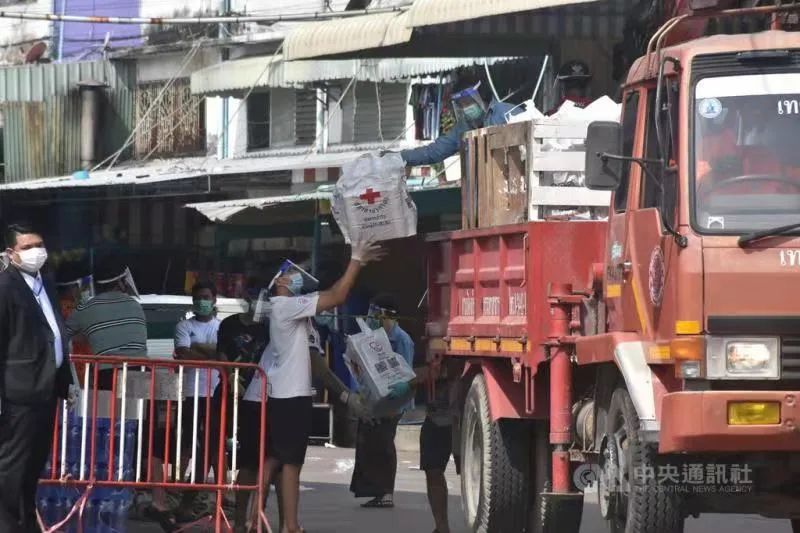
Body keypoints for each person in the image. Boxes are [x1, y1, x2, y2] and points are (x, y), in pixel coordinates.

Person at [261, 240, 384, 533]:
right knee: (290, 463)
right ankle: (290, 526)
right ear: (279, 282)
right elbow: (338, 295)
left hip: (283, 395)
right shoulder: (287, 306)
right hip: (291, 397)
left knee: (276, 458)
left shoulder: (287, 309)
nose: (297, 277)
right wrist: (356, 260)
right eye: (292, 274)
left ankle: (259, 517)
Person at [0, 223, 73, 532]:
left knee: (34, 464)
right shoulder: (5, 288)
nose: (35, 252)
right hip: (17, 392)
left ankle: (26, 522)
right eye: (27, 247)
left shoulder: (47, 284)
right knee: (12, 466)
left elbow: (56, 333)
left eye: (39, 245)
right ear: (11, 253)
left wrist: (66, 379)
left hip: (46, 389)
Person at [147, 281, 222, 530]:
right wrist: (211, 354)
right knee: (183, 444)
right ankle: (171, 497)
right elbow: (184, 354)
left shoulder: (221, 327)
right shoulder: (183, 326)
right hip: (189, 395)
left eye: (206, 297)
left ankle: (187, 503)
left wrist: (201, 351)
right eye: (198, 297)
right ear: (193, 301)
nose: (202, 301)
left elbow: (223, 356)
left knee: (209, 450)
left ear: (214, 300)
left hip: (214, 394)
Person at [350, 294, 415, 509]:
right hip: (374, 400)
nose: (372, 319)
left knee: (385, 443)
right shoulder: (373, 338)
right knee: (371, 443)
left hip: (394, 402)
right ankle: (375, 491)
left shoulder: (402, 340)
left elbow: (405, 375)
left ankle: (387, 493)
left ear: (388, 316)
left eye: (376, 315)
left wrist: (393, 405)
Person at [392, 358, 464, 533]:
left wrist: (410, 379)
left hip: (462, 413)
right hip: (437, 414)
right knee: (433, 469)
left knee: (472, 471)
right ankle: (441, 528)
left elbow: (447, 368)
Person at [399, 71, 518, 167]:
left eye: (467, 102)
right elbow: (433, 152)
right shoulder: (463, 127)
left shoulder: (508, 114)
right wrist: (397, 158)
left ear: (481, 95)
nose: (465, 108)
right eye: (461, 104)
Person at [65, 261, 146, 390]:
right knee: (139, 410)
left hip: (108, 373)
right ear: (119, 283)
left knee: (109, 410)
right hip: (142, 370)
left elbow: (63, 335)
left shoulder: (86, 309)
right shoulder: (135, 305)